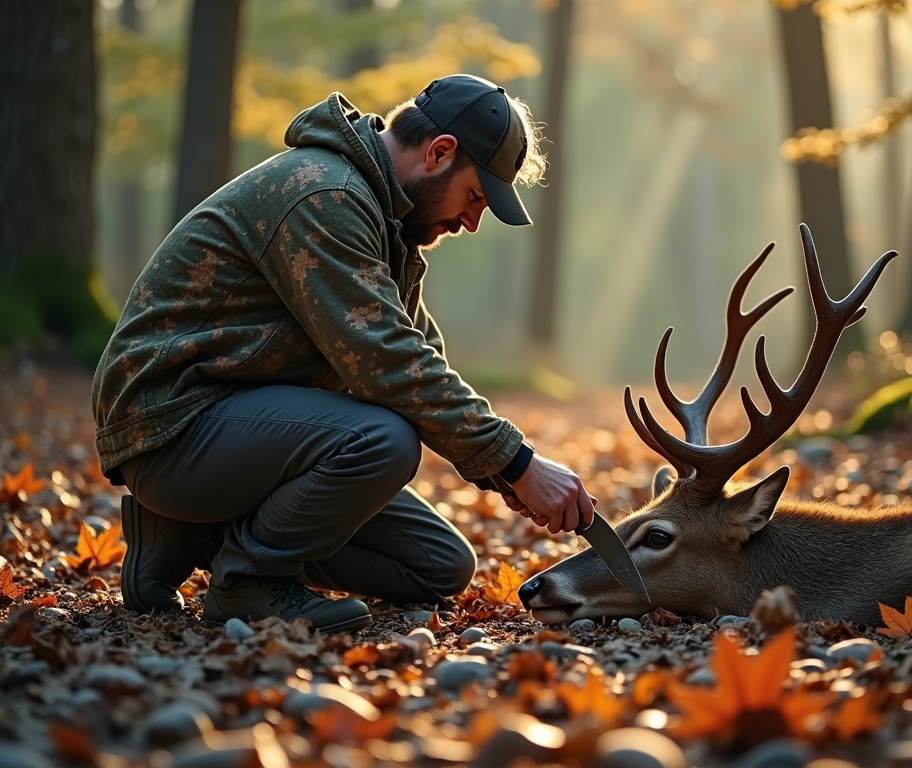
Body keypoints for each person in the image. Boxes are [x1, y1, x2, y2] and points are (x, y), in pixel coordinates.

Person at [91, 74, 596, 634]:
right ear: (440, 153)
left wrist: (507, 475)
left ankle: (186, 532)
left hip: (232, 429)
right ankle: (247, 582)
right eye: (476, 196)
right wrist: (519, 462)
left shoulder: (383, 220)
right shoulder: (325, 195)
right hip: (173, 425)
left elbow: (420, 351)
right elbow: (390, 364)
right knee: (382, 440)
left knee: (438, 565)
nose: (472, 222)